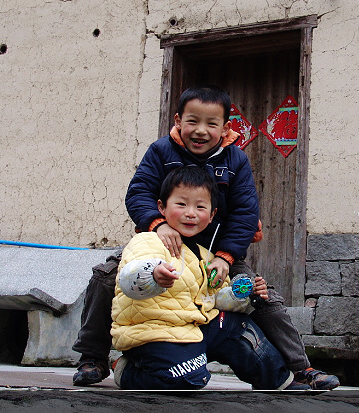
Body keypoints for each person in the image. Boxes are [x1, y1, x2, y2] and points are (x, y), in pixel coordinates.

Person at [72, 85, 339, 390]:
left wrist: (226, 256)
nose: (200, 131)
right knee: (106, 277)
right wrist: (159, 225)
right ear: (178, 120)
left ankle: (301, 368)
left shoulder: (235, 161)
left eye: (211, 124)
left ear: (225, 128)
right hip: (164, 244)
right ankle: (92, 358)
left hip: (216, 253)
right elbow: (138, 193)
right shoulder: (160, 152)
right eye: (192, 121)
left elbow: (245, 213)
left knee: (264, 297)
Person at [111, 166, 302, 390]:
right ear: (161, 207)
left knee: (239, 330)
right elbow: (128, 279)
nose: (191, 213)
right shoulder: (148, 241)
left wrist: (246, 294)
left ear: (212, 215)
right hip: (155, 332)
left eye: (200, 207)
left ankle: (277, 380)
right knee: (189, 378)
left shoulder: (206, 254)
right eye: (181, 204)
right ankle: (126, 371)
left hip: (196, 326)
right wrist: (151, 275)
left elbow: (216, 299)